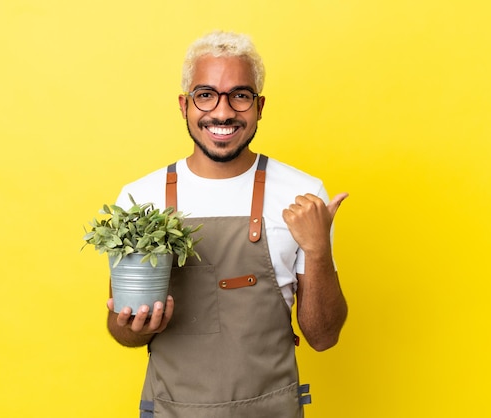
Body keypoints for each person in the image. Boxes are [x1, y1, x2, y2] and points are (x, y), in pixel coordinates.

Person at [106, 30, 348, 418]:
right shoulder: (141, 199)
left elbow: (324, 336)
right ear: (184, 105)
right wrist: (136, 325)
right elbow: (120, 331)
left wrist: (318, 250)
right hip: (171, 410)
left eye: (240, 95)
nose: (222, 112)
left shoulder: (304, 195)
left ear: (259, 105)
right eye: (206, 95)